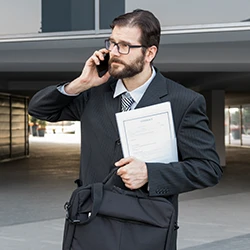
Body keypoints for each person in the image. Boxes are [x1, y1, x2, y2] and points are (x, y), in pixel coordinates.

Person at [28, 9, 223, 249]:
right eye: (112, 43)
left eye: (124, 46)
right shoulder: (93, 93)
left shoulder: (184, 101)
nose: (114, 52)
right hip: (91, 221)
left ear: (150, 53)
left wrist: (151, 174)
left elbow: (208, 168)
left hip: (147, 226)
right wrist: (80, 83)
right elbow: (39, 109)